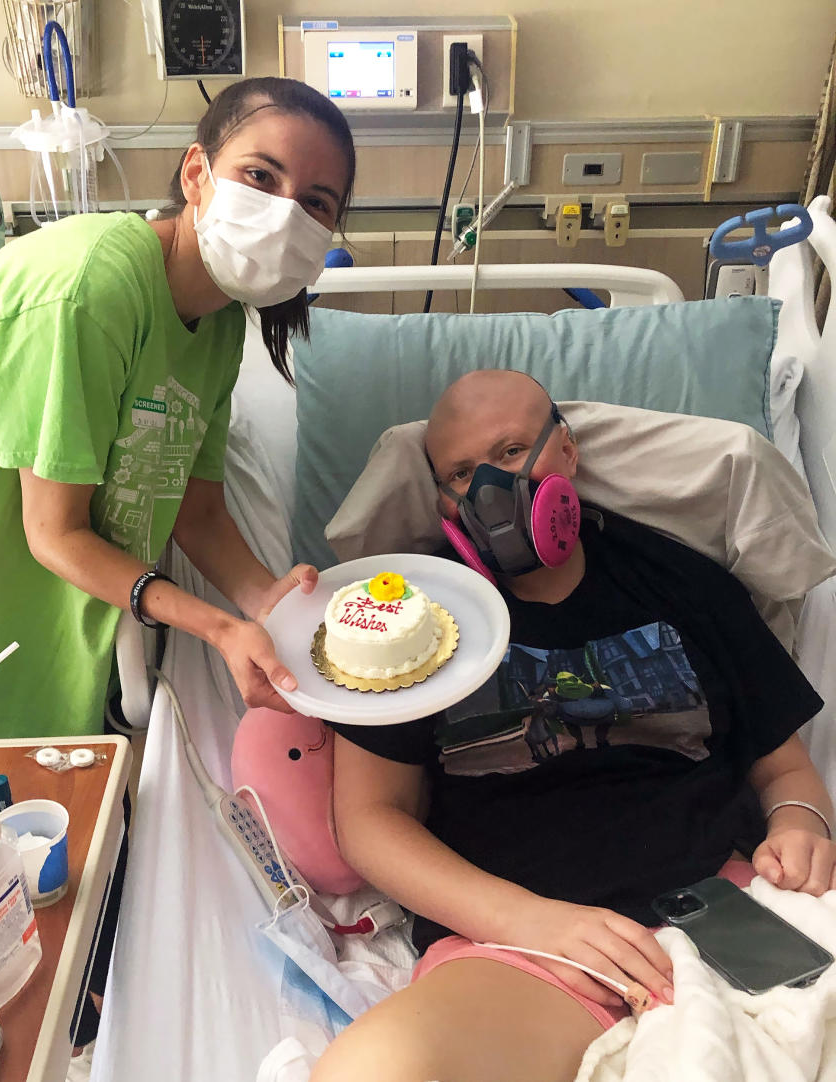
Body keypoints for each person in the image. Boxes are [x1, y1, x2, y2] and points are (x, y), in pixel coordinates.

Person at [314, 370, 835, 1082]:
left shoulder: (686, 583)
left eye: (511, 449)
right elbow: (370, 819)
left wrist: (801, 824)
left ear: (567, 451)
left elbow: (784, 768)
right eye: (462, 472)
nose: (491, 487)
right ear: (441, 499)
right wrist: (531, 922)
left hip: (720, 908)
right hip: (524, 953)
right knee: (368, 1073)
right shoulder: (411, 617)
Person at [0, 77, 356, 741]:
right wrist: (218, 626)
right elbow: (54, 532)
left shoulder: (216, 326)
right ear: (197, 172)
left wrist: (264, 599)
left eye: (315, 202)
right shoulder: (87, 289)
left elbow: (198, 506)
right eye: (260, 175)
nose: (283, 212)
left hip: (66, 646)